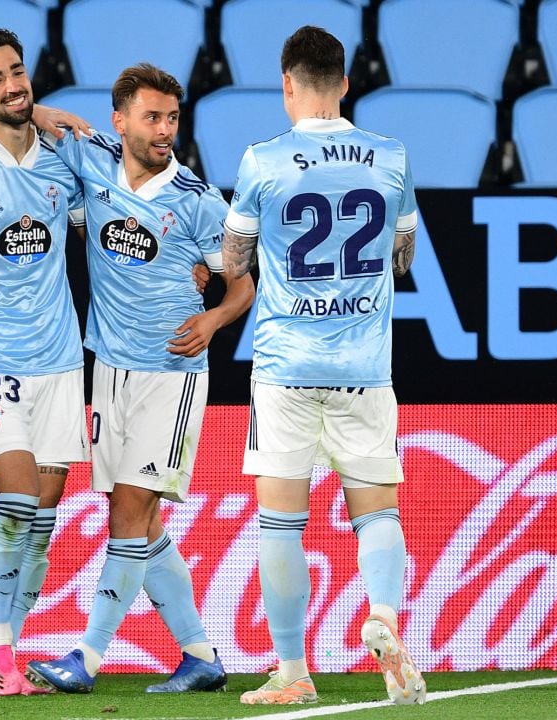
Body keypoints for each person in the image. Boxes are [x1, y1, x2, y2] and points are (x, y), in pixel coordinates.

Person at [26, 63, 255, 695]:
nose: (164, 130)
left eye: (173, 118)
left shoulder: (202, 202)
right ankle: (200, 654)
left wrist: (212, 320)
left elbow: (242, 286)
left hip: (171, 377)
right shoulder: (93, 161)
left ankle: (87, 659)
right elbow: (22, 111)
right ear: (120, 119)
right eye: (152, 117)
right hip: (110, 369)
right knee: (141, 522)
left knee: (129, 514)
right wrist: (50, 115)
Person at [221, 26, 425, 706]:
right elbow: (404, 252)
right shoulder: (390, 156)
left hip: (286, 365)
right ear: (344, 83)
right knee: (377, 512)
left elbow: (235, 259)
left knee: (282, 522)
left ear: (287, 85)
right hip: (365, 364)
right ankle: (387, 622)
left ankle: (292, 672)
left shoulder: (263, 160)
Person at [0, 28, 90, 697]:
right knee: (13, 498)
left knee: (44, 509)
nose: (13, 85)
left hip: (60, 355)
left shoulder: (66, 157)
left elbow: (119, 208)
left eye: (17, 72)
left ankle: (11, 640)